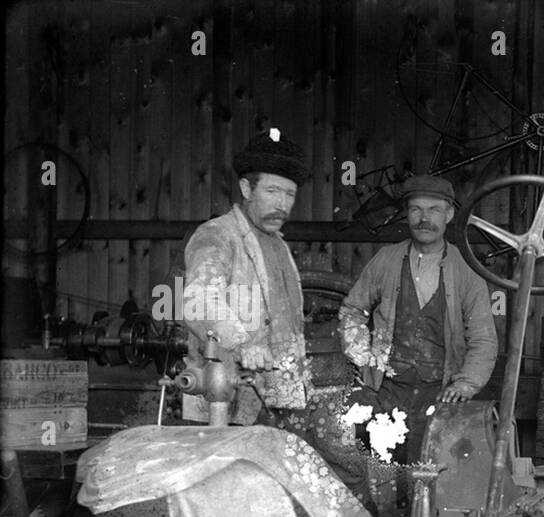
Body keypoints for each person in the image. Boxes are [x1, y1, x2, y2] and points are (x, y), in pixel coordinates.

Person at [337, 174, 498, 464]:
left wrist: (465, 384)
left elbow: (483, 338)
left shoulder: (467, 268)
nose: (424, 219)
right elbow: (352, 311)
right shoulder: (386, 259)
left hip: (439, 395)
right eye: (416, 210)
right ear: (407, 213)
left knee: (432, 480)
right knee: (380, 476)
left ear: (449, 214)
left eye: (434, 210)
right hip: (385, 391)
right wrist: (362, 358)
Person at [181, 128, 313, 424]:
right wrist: (241, 343)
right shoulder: (218, 236)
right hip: (222, 404)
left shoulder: (279, 245)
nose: (282, 203)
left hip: (273, 401)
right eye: (272, 191)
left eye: (289, 193)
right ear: (245, 188)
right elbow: (199, 301)